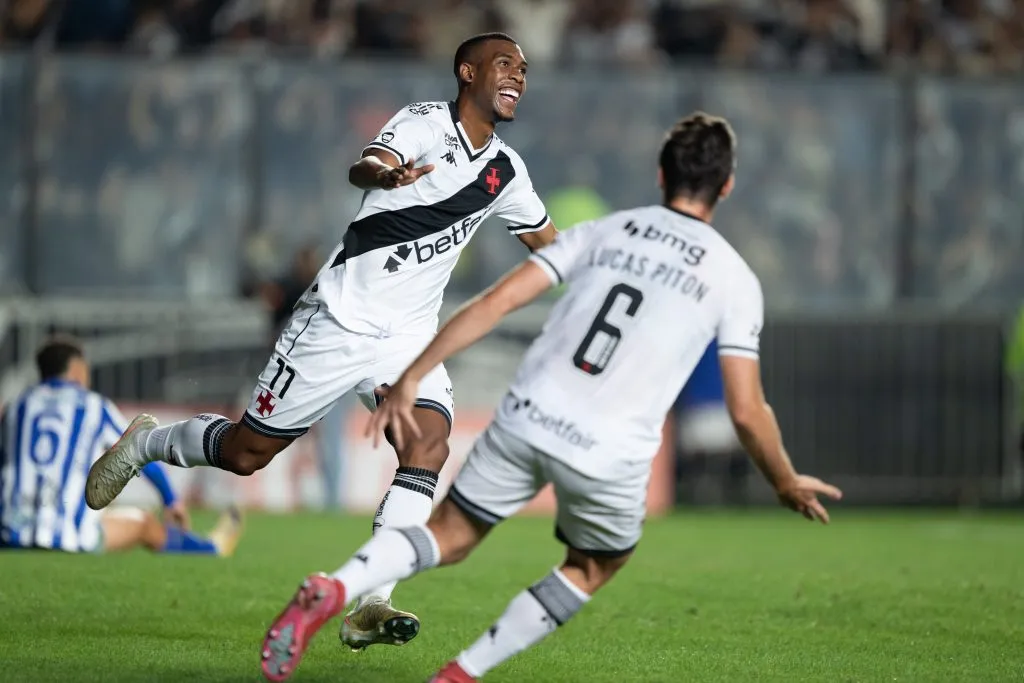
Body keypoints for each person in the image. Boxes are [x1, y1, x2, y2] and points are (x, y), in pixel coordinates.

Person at [257, 112, 843, 683]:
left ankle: (335, 588)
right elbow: (746, 409)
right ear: (729, 186)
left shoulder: (603, 231)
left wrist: (414, 374)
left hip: (528, 415)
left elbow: (494, 303)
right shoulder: (733, 277)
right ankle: (462, 673)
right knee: (593, 564)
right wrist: (785, 482)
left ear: (661, 176)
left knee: (449, 534)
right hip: (611, 445)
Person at [85, 31, 557, 648]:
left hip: (408, 338)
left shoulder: (507, 171)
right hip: (337, 320)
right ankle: (150, 442)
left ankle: (373, 601)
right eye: (504, 64)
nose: (518, 74)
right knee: (247, 455)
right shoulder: (422, 122)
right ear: (467, 72)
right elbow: (368, 163)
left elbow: (552, 246)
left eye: (523, 68)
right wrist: (386, 177)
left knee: (429, 447)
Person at [0, 336, 243, 556]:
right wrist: (171, 500)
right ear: (76, 370)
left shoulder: (14, 406)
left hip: (9, 530)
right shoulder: (94, 406)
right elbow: (134, 448)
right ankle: (211, 548)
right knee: (144, 522)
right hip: (70, 535)